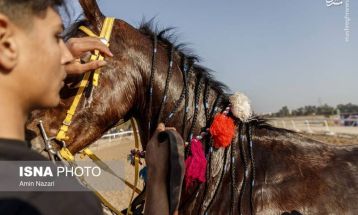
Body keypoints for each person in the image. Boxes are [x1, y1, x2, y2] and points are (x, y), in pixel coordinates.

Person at [0, 0, 113, 214]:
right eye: (56, 37)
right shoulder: (61, 200)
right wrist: (162, 188)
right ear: (5, 43)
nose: (67, 55)